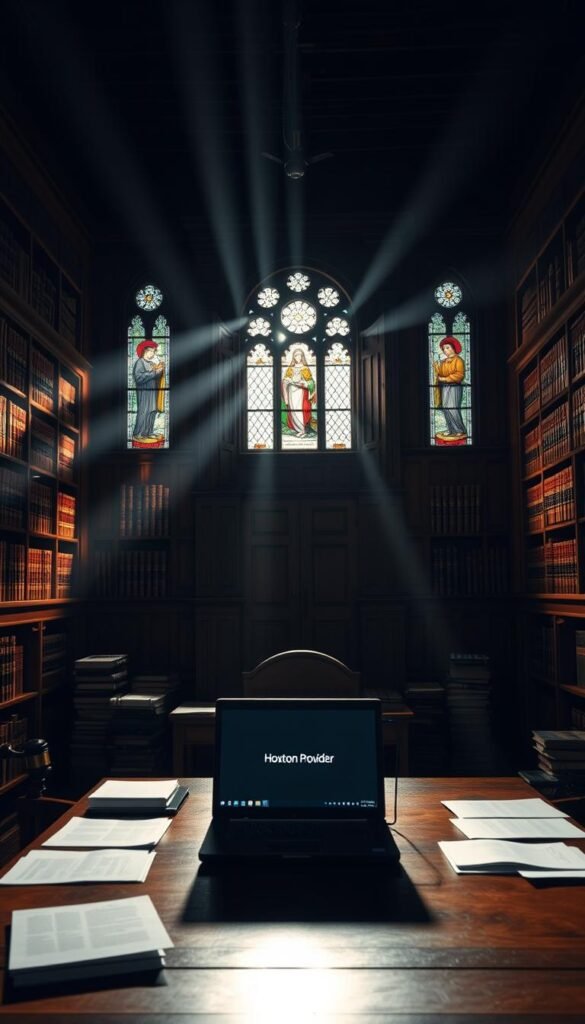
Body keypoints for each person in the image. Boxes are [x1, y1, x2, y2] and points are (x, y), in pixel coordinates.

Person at [433, 335, 467, 443]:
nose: (445, 350)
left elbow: (459, 375)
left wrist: (445, 378)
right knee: (445, 408)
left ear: (453, 348)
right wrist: (437, 369)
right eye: (444, 349)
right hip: (445, 387)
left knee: (452, 407)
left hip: (454, 387)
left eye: (447, 348)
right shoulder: (443, 362)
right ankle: (452, 429)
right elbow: (441, 374)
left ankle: (460, 430)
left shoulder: (458, 360)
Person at [132, 340, 165, 443]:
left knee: (152, 411)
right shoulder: (139, 362)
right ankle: (138, 434)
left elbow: (156, 375)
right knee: (144, 411)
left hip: (152, 392)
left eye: (154, 351)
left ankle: (148, 432)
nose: (154, 353)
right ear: (146, 351)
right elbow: (138, 378)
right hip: (144, 392)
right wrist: (154, 373)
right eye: (152, 351)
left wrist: (160, 370)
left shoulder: (151, 363)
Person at [281, 348, 316, 437]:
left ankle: (303, 430)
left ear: (302, 357)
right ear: (293, 357)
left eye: (300, 355)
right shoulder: (290, 369)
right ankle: (297, 429)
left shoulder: (305, 369)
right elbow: (285, 380)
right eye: (296, 355)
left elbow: (311, 382)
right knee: (293, 410)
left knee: (300, 410)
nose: (298, 357)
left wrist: (305, 383)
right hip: (291, 392)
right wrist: (286, 381)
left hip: (301, 393)